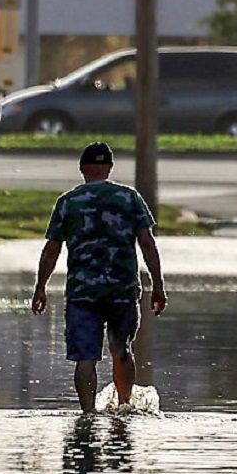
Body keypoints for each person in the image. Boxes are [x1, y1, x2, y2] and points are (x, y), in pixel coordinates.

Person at [31, 142, 167, 413]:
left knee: (85, 357)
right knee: (121, 348)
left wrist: (40, 288)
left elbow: (52, 249)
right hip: (122, 289)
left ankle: (88, 414)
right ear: (110, 168)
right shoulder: (129, 198)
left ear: (82, 168)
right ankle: (125, 406)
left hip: (83, 292)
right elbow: (147, 243)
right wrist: (158, 285)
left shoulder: (68, 202)